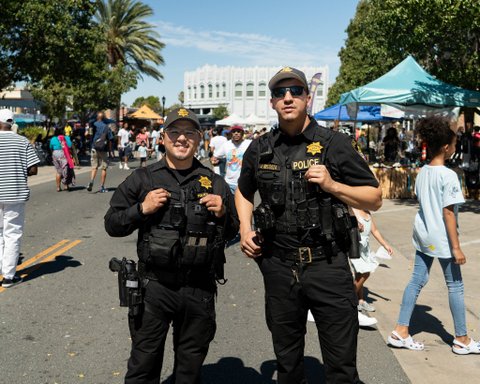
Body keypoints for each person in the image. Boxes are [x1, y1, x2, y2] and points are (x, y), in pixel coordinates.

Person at [235, 67, 382, 383]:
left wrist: (333, 186)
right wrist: (245, 229)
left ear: (307, 97)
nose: (288, 97)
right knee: (287, 364)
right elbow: (243, 191)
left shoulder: (334, 144)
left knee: (341, 368)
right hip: (278, 264)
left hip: (327, 263)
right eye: (280, 92)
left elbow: (374, 197)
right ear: (272, 102)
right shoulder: (260, 148)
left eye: (295, 91)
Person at [104, 107, 239, 384]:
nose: (182, 138)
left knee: (189, 370)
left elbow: (235, 231)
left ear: (199, 138)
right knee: (143, 365)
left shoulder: (214, 181)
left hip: (199, 288)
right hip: (155, 288)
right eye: (175, 132)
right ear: (163, 138)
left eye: (189, 132)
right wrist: (142, 208)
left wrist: (224, 213)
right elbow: (112, 224)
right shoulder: (144, 178)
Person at [388, 116, 480, 355]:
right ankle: (462, 338)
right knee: (456, 286)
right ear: (446, 147)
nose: (455, 148)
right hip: (443, 239)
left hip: (423, 235)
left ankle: (400, 330)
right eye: (454, 145)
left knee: (417, 280)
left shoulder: (423, 171)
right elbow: (448, 213)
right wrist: (456, 247)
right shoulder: (448, 175)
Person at [0, 109, 40, 288]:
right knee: (12, 233)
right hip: (14, 194)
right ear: (12, 123)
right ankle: (8, 276)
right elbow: (33, 169)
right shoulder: (22, 141)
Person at [351, 208, 393, 313]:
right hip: (356, 248)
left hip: (365, 250)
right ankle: (348, 300)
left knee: (359, 275)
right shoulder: (352, 210)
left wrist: (385, 245)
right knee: (366, 273)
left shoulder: (367, 213)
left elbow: (375, 230)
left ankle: (360, 301)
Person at [211, 125, 252, 193]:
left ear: (242, 133)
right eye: (234, 132)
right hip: (229, 183)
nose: (236, 133)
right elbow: (214, 157)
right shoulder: (226, 145)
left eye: (238, 131)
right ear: (231, 133)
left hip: (245, 183)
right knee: (230, 203)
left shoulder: (249, 143)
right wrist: (214, 161)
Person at [87, 112, 113, 193]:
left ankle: (91, 181)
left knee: (94, 167)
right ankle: (102, 187)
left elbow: (88, 135)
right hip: (103, 149)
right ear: (103, 118)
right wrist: (110, 151)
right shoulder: (106, 127)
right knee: (104, 168)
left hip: (94, 148)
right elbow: (110, 140)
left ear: (97, 117)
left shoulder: (93, 125)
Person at [49, 127, 76, 191]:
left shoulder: (53, 139)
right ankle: (66, 185)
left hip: (55, 154)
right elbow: (69, 146)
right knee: (66, 170)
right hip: (64, 154)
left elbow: (50, 147)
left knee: (59, 171)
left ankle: (58, 187)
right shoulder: (66, 138)